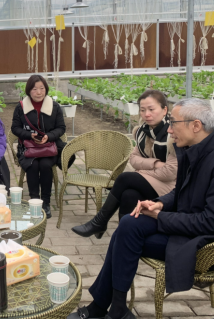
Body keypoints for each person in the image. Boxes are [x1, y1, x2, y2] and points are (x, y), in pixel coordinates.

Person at [66, 98, 214, 319]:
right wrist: (160, 203)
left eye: (173, 123)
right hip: (190, 227)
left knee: (125, 234)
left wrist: (161, 216)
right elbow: (181, 192)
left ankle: (108, 309)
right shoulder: (200, 151)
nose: (169, 130)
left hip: (209, 246)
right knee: (129, 224)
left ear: (196, 125)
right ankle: (112, 310)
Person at [72, 89, 177, 238]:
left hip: (170, 189)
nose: (146, 114)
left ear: (164, 110)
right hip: (151, 182)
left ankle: (99, 222)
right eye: (142, 110)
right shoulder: (142, 132)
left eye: (151, 109)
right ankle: (123, 237)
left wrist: (142, 171)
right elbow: (133, 159)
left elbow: (169, 173)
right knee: (128, 195)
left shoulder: (174, 134)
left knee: (125, 178)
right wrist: (155, 163)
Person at [11, 75, 68, 218]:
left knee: (45, 165)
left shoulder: (54, 106)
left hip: (49, 147)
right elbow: (15, 128)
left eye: (42, 88)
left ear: (46, 89)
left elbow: (61, 128)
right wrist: (29, 135)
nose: (39, 92)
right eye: (35, 89)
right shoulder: (21, 107)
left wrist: (49, 136)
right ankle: (35, 201)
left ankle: (46, 202)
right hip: (27, 148)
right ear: (29, 91)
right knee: (33, 165)